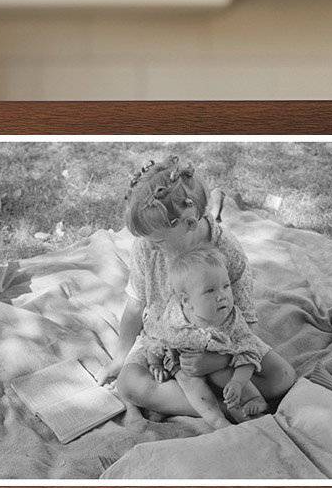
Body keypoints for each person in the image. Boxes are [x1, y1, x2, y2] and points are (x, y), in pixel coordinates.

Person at [97, 155, 295, 418]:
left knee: (282, 377)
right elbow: (136, 305)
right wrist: (121, 358)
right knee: (128, 384)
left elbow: (246, 319)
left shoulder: (227, 250)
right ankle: (223, 405)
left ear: (189, 223)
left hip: (223, 342)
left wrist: (219, 360)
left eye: (158, 241)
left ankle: (214, 394)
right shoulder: (146, 248)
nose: (151, 246)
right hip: (166, 343)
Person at [148, 247, 270, 425]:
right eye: (210, 291)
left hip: (220, 360)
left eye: (226, 286)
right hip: (185, 363)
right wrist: (154, 363)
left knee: (226, 376)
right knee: (190, 382)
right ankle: (216, 419)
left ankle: (252, 403)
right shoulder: (174, 319)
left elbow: (248, 350)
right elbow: (157, 338)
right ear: (186, 301)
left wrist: (237, 382)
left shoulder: (231, 319)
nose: (222, 296)